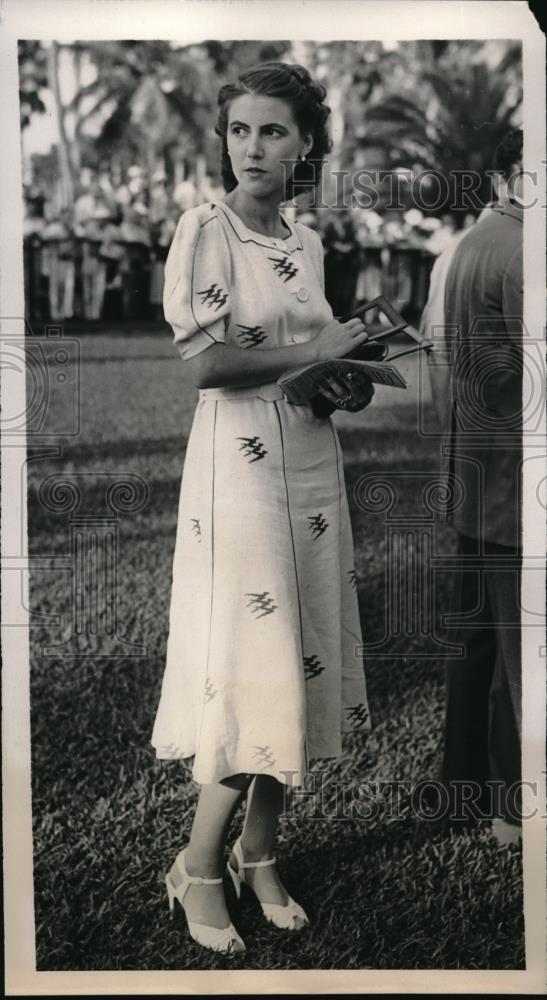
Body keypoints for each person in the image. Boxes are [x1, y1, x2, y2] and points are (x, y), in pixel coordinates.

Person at [151, 61, 374, 955]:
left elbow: (304, 363)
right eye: (240, 130)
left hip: (309, 461)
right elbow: (202, 362)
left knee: (305, 650)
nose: (253, 147)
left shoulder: (306, 242)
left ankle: (260, 850)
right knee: (256, 655)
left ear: (306, 144)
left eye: (273, 131)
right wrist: (309, 350)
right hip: (235, 470)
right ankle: (197, 865)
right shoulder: (204, 228)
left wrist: (339, 379)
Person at [426, 129, 524, 846]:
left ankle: (459, 791)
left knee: (473, 648)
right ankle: (513, 810)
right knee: (520, 656)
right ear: (503, 178)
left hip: (471, 472)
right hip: (514, 482)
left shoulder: (466, 245)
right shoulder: (525, 249)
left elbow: (437, 354)